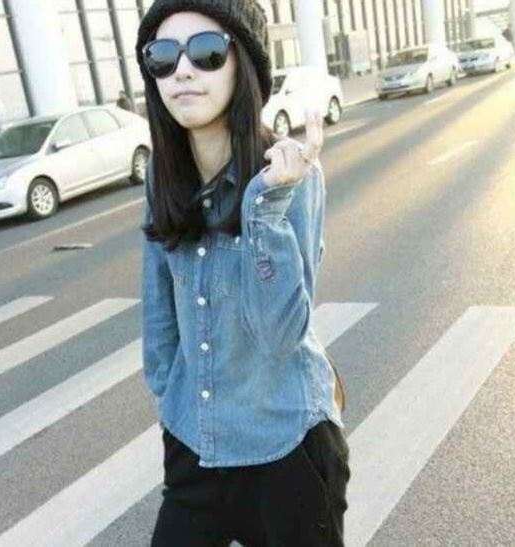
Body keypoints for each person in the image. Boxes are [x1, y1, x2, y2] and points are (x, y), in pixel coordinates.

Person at [135, 1, 351, 545]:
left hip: (287, 451)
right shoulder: (162, 176)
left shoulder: (292, 176)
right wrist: (171, 396)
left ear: (244, 65)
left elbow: (281, 336)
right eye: (163, 56)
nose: (183, 71)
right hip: (195, 444)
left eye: (206, 52)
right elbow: (158, 308)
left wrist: (266, 206)